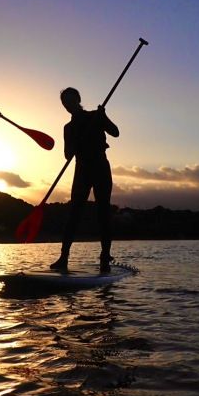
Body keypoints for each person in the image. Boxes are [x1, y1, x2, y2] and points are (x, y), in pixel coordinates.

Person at [50, 87, 120, 273]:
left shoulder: (95, 117)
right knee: (74, 213)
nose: (67, 105)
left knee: (103, 211)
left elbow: (115, 132)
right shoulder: (68, 128)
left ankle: (105, 257)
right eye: (64, 102)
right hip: (82, 170)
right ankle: (63, 258)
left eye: (70, 100)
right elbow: (67, 155)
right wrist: (74, 144)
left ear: (78, 99)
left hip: (100, 167)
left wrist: (104, 117)